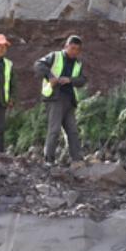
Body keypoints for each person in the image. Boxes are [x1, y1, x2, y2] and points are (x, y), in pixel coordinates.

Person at [34, 35, 88, 164]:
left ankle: (77, 159)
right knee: (54, 129)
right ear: (66, 46)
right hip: (54, 97)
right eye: (72, 48)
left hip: (70, 99)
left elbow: (82, 80)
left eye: (77, 49)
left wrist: (70, 80)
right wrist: (50, 76)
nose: (74, 51)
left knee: (73, 131)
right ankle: (49, 160)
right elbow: (38, 64)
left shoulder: (78, 63)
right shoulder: (55, 56)